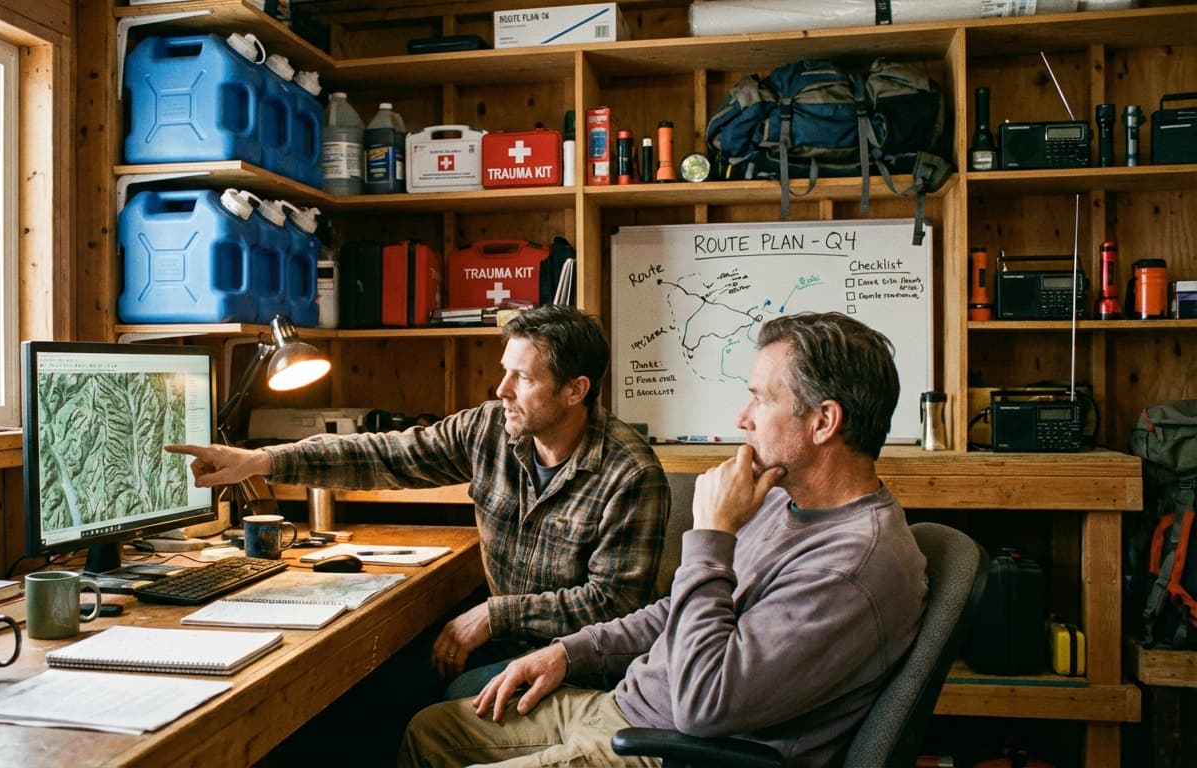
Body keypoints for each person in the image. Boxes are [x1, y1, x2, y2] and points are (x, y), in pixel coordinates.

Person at [399, 311, 930, 768]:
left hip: (673, 751)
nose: (741, 419)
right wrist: (566, 653)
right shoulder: (783, 502)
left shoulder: (850, 568)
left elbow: (705, 705)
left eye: (759, 400)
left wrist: (712, 535)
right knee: (431, 733)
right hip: (631, 708)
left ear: (823, 421)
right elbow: (677, 611)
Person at [167, 304, 669, 754]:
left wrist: (495, 616)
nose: (502, 391)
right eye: (504, 373)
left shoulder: (630, 473)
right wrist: (260, 460)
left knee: (449, 699)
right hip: (502, 643)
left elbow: (613, 605)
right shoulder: (490, 428)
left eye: (523, 378)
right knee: (363, 690)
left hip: (578, 667)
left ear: (575, 389)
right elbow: (386, 454)